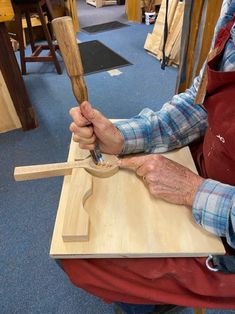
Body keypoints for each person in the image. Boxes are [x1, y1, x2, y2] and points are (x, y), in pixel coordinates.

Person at [60, 0, 235, 313]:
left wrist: (193, 191)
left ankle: (158, 299)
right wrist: (123, 137)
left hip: (227, 233)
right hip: (209, 164)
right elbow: (200, 103)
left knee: (89, 260)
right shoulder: (232, 10)